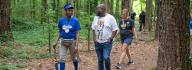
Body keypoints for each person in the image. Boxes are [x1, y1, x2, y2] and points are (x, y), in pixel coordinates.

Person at [53, 3, 81, 70]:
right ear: (65, 11)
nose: (70, 12)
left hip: (72, 42)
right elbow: (60, 31)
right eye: (69, 10)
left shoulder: (75, 20)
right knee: (62, 58)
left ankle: (76, 68)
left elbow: (77, 33)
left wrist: (77, 45)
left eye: (72, 10)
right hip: (63, 42)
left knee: (74, 58)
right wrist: (56, 42)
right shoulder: (61, 20)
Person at [91, 4, 119, 70]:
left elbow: (115, 29)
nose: (97, 10)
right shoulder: (96, 17)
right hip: (97, 42)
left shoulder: (110, 18)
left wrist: (111, 38)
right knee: (100, 59)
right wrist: (94, 39)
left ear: (103, 10)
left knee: (106, 57)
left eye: (98, 9)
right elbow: (93, 28)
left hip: (107, 42)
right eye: (97, 9)